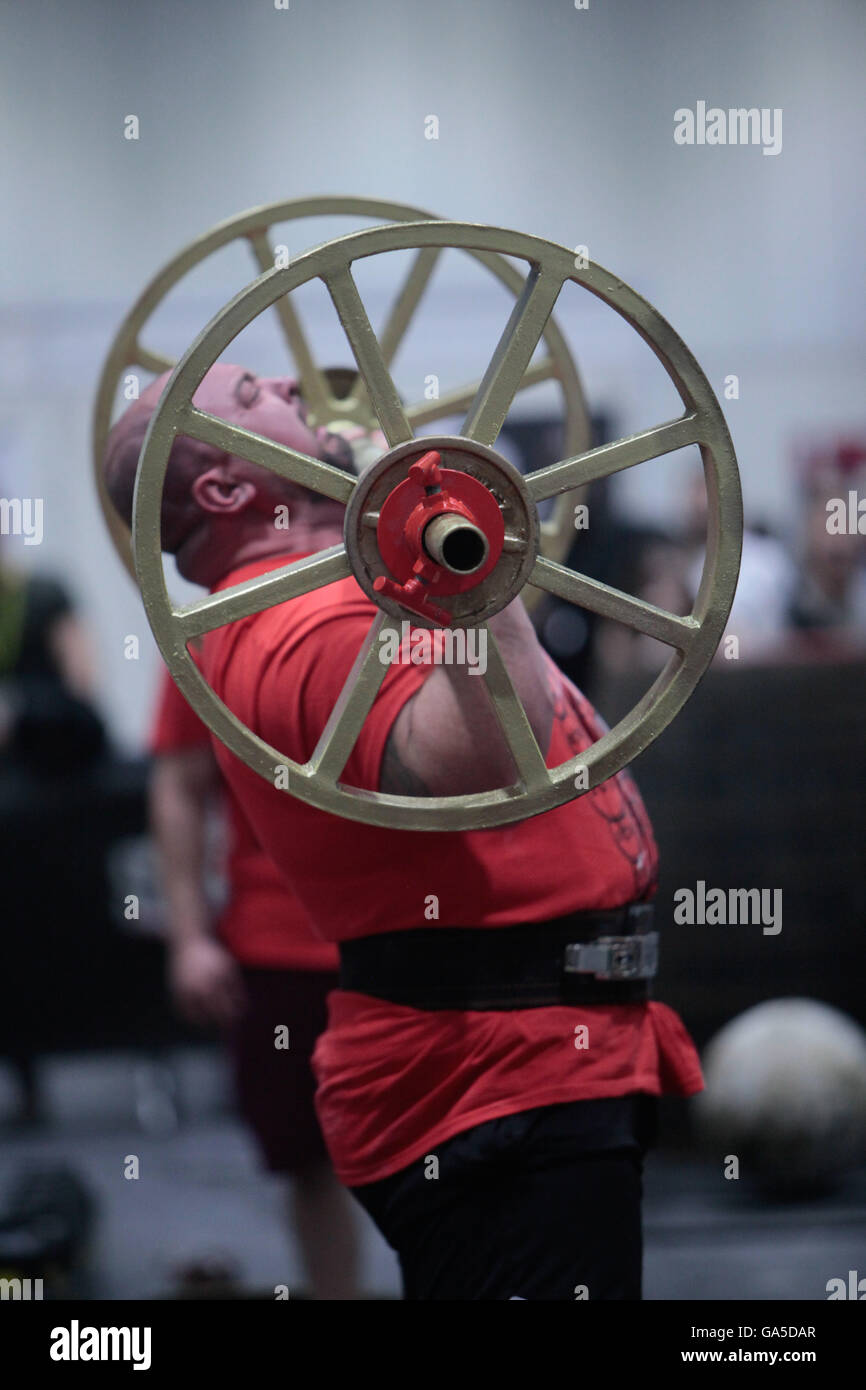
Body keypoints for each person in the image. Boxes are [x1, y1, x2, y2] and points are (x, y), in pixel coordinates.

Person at [105, 364, 703, 1301]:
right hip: (493, 1076)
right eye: (257, 395)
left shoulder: (332, 592)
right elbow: (492, 758)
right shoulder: (290, 627)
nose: (295, 381)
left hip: (531, 1058)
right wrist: (456, 531)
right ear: (228, 487)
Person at [149, 665, 359, 1300]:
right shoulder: (210, 632)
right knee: (306, 1161)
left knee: (448, 1161)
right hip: (279, 948)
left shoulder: (420, 620)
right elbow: (179, 783)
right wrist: (188, 937)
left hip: (415, 938)